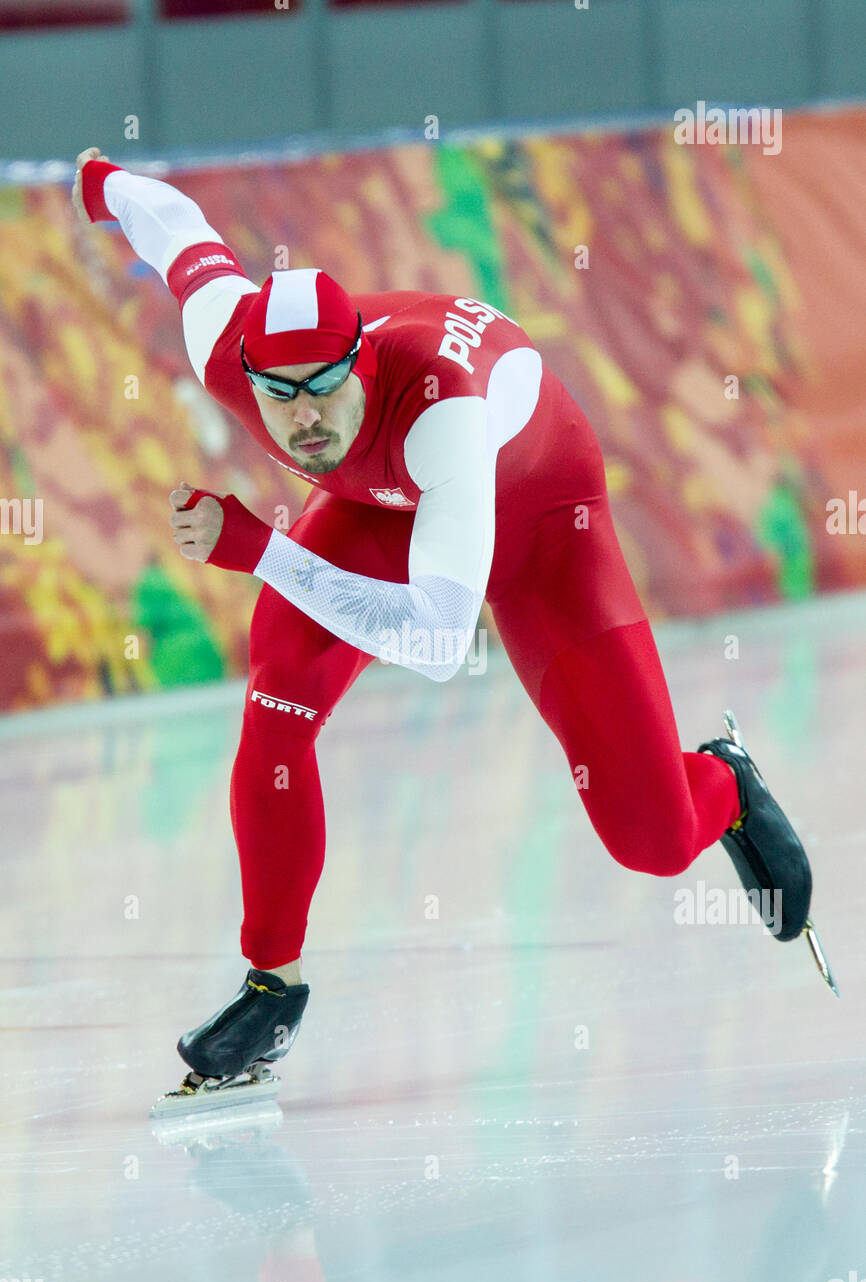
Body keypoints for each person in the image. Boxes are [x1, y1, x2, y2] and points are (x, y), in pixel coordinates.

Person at [71, 147, 816, 1111]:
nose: (302, 424)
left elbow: (435, 643)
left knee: (652, 838)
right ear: (241, 375)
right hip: (385, 512)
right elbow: (170, 226)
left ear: (364, 363)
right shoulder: (224, 343)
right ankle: (272, 984)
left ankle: (722, 781)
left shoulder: (442, 411)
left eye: (325, 391)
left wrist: (261, 549)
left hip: (544, 529)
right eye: (276, 396)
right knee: (278, 690)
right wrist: (96, 180)